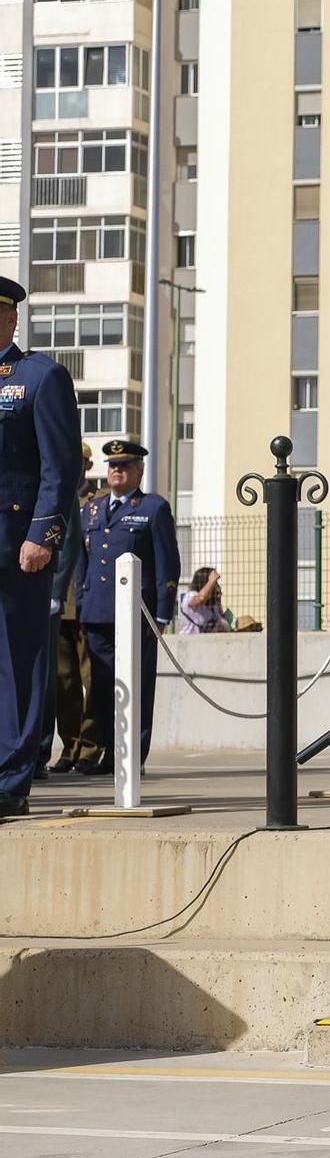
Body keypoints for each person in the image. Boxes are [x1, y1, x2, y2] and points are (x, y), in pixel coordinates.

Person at [0, 274, 82, 815]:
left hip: (15, 545)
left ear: (9, 317)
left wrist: (43, 535)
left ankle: (11, 779)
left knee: (19, 659)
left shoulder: (39, 377)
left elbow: (61, 466)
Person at [74, 439, 179, 772]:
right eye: (112, 465)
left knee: (137, 686)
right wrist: (80, 604)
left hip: (138, 615)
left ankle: (133, 757)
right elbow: (82, 561)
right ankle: (108, 750)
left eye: (124, 465)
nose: (116, 470)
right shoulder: (91, 509)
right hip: (98, 613)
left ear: (139, 470)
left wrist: (161, 614)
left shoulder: (153, 508)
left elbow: (167, 564)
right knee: (103, 688)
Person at [36, 440, 88, 778]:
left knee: (53, 676)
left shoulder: (60, 487)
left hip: (60, 597)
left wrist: (55, 593)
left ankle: (42, 752)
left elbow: (68, 543)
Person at [177, 567, 228, 634]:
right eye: (214, 584)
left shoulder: (213, 606)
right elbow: (201, 598)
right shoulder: (190, 596)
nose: (216, 587)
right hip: (188, 641)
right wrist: (211, 581)